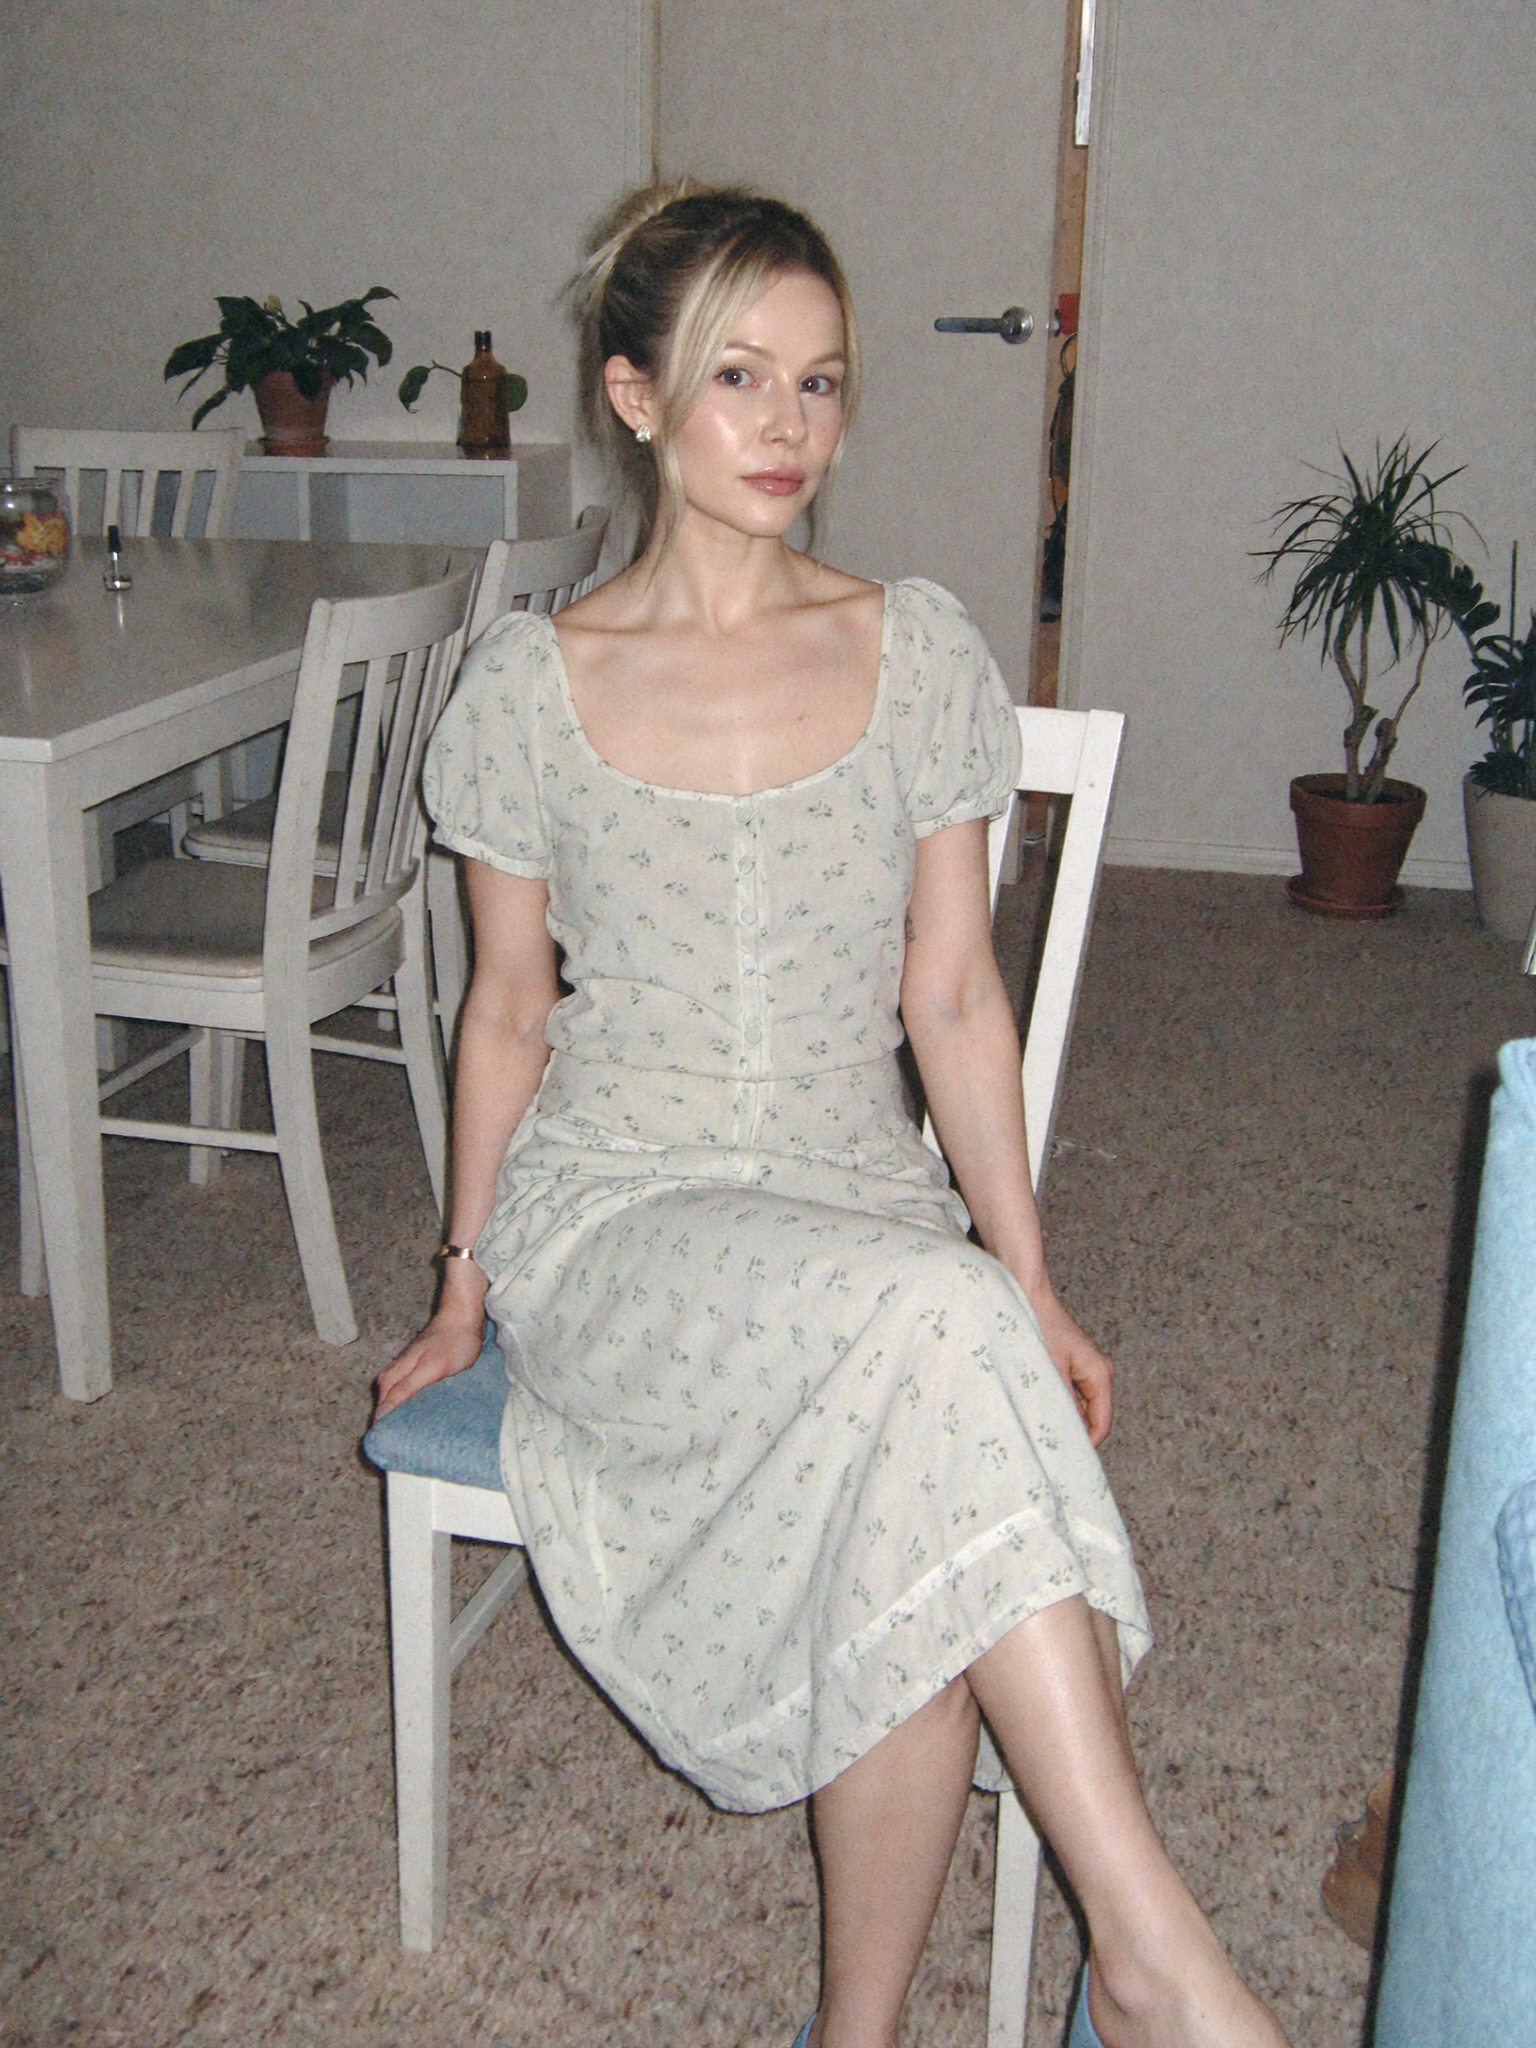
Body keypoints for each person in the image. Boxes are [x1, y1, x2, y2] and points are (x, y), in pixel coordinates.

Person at [376, 184, 1289, 2048]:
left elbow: (950, 994)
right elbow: (511, 1015)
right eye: (736, 377)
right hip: (620, 1214)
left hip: (856, 1198)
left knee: (932, 1407)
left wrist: (1029, 1274)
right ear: (634, 398)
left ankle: (860, 2034)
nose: (789, 426)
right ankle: (1153, 1953)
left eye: (821, 383)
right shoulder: (529, 690)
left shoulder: (921, 648)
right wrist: (468, 1288)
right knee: (936, 1350)